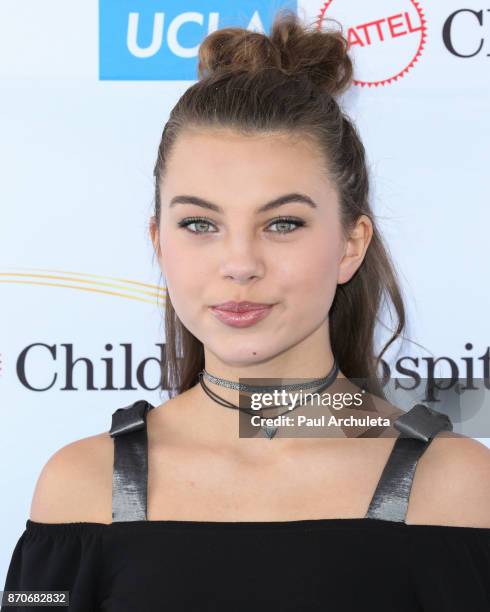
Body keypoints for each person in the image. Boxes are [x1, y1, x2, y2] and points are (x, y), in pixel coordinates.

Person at [2, 9, 490, 612]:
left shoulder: (458, 488)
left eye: (282, 223)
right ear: (159, 242)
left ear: (351, 245)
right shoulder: (79, 488)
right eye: (199, 224)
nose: (239, 263)